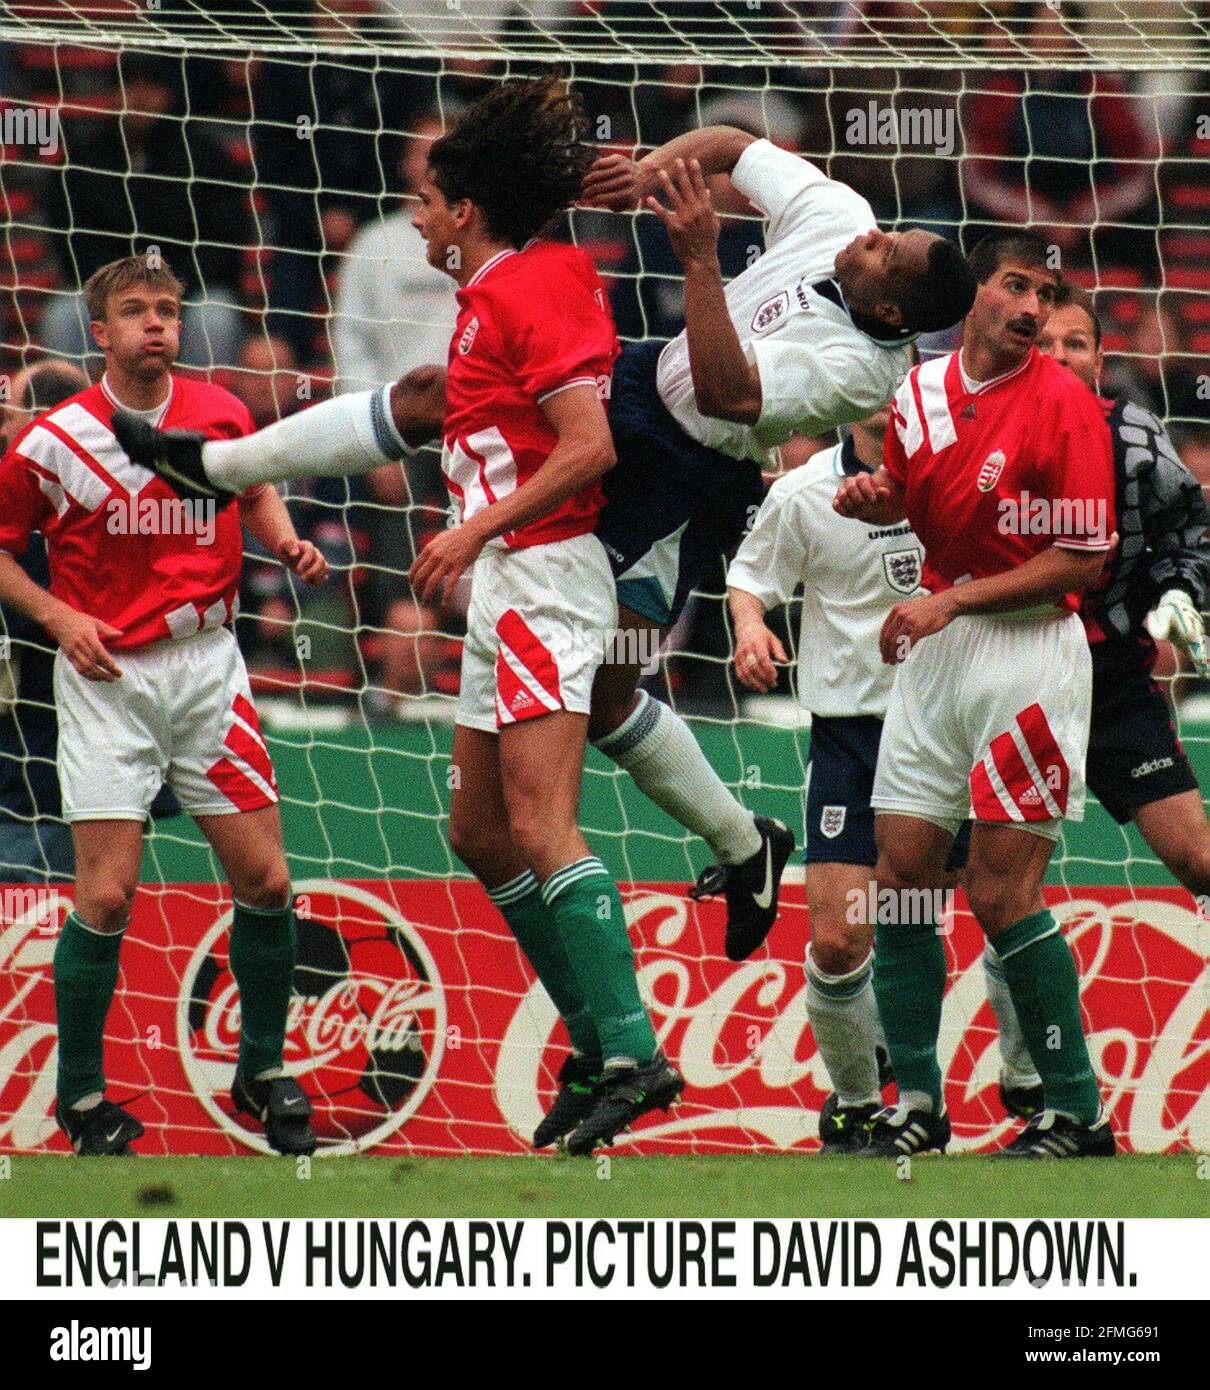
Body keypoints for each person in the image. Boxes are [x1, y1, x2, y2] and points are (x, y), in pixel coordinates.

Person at [117, 121, 978, 965]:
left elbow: (727, 396)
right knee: (430, 392)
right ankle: (216, 466)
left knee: (600, 707)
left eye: (884, 255)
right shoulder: (840, 218)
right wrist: (648, 172)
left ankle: (737, 852)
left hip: (680, 476)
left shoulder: (868, 371)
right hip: (639, 377)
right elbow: (727, 145)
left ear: (891, 307)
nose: (868, 238)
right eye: (884, 232)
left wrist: (702, 259)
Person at [0, 254, 330, 1156]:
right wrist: (60, 615)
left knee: (266, 881)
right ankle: (81, 1097)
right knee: (104, 896)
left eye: (170, 311)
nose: (157, 324)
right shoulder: (51, 442)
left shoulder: (220, 413)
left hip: (207, 671)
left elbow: (253, 484)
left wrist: (287, 541)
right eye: (136, 311)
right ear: (98, 333)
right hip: (108, 681)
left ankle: (261, 1068)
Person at [833, 229, 1118, 1160]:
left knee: (1002, 894)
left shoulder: (1068, 407)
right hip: (941, 651)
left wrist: (946, 598)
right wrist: (884, 502)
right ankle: (916, 1101)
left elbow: (1082, 556)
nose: (1032, 308)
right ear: (978, 296)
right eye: (1015, 286)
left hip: (1027, 656)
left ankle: (1074, 1109)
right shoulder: (915, 390)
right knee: (903, 879)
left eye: (1045, 294)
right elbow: (924, 498)